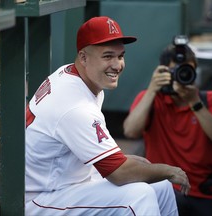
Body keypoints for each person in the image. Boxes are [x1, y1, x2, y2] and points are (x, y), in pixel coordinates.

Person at [25, 16, 190, 216]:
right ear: (83, 57)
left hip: (65, 180)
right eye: (107, 56)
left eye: (120, 56)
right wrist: (168, 169)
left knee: (161, 187)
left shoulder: (75, 75)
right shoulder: (75, 105)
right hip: (42, 197)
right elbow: (119, 174)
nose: (117, 65)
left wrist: (124, 160)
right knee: (140, 195)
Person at [123, 37, 212, 216]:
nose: (182, 76)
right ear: (163, 72)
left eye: (187, 70)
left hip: (203, 193)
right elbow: (130, 131)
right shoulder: (151, 99)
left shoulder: (209, 100)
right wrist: (152, 90)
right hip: (164, 189)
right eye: (175, 71)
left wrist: (194, 102)